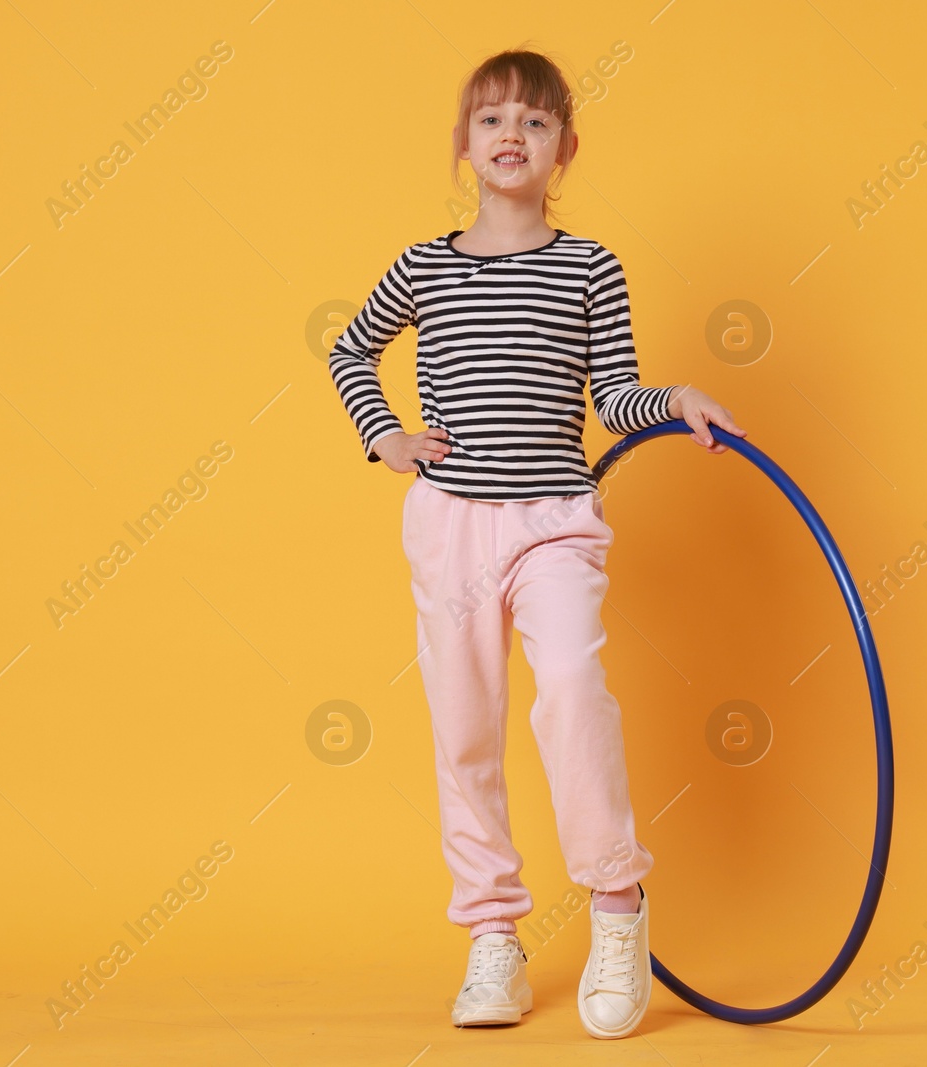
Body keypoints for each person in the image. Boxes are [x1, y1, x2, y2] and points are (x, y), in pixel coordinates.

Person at [327, 46, 745, 1039]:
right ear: (463, 147)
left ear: (564, 149)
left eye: (535, 120)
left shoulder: (588, 266)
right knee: (464, 727)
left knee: (568, 687)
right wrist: (383, 434)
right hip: (450, 523)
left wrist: (676, 397)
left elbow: (614, 398)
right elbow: (349, 347)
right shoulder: (424, 267)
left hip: (553, 519)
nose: (511, 134)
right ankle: (492, 935)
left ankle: (615, 904)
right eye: (491, 120)